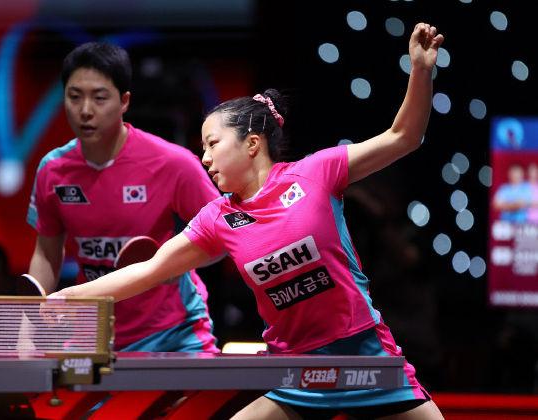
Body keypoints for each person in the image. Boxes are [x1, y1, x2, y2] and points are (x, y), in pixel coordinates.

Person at [49, 23, 444, 419]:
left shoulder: (316, 172)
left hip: (365, 358)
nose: (205, 158)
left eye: (213, 144)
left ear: (252, 143)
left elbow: (403, 137)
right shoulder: (218, 218)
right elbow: (151, 270)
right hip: (297, 372)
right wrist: (68, 299)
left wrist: (421, 70)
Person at [27, 42, 219, 352]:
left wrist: (171, 265)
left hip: (174, 332)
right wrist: (28, 328)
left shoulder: (172, 163)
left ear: (124, 101)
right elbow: (47, 253)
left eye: (99, 98)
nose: (85, 110)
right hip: (93, 331)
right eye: (74, 97)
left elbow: (221, 237)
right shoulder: (53, 169)